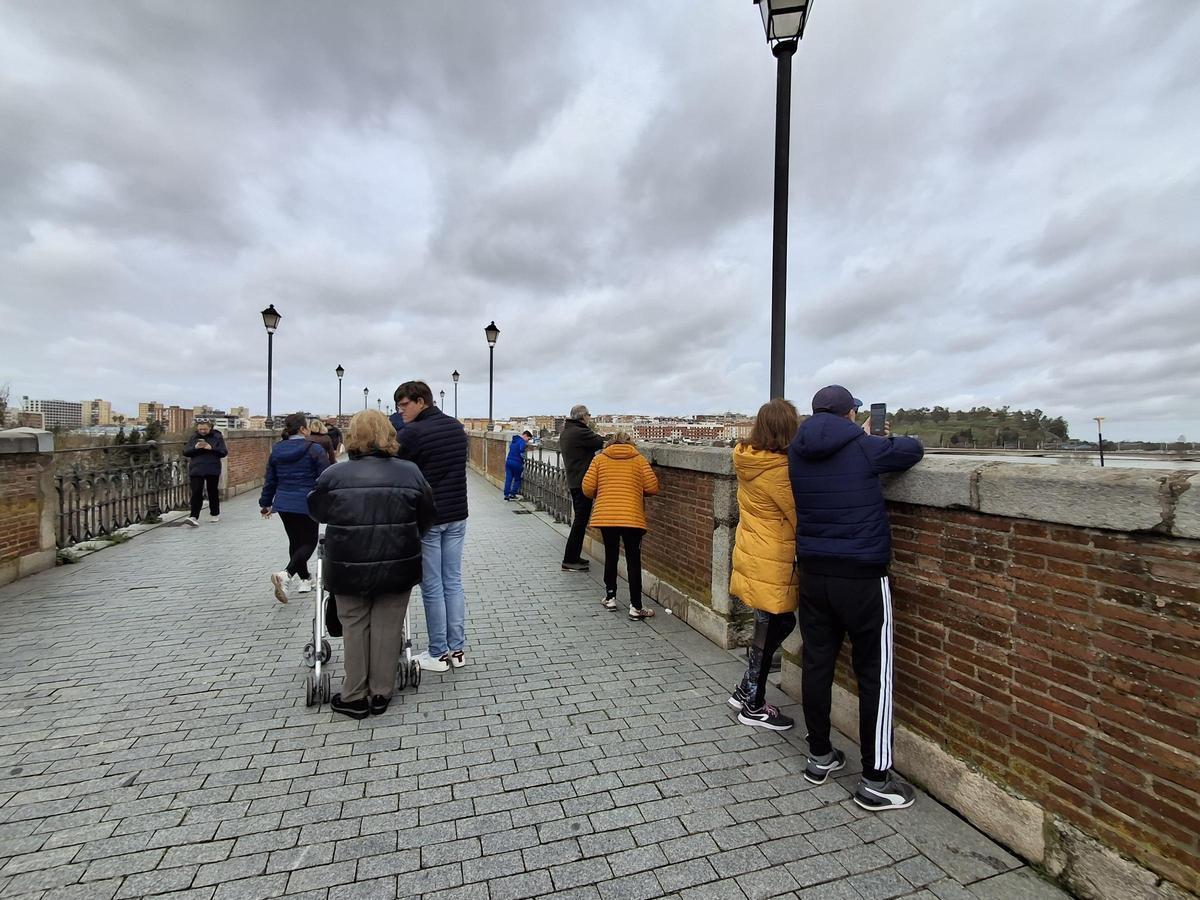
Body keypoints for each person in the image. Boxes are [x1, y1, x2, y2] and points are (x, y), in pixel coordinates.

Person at [789, 384, 924, 811]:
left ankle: (820, 756)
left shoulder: (797, 451)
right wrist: (873, 436)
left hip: (814, 572)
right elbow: (912, 450)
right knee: (874, 673)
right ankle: (875, 779)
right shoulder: (866, 447)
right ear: (850, 414)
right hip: (861, 575)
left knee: (817, 663)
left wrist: (859, 436)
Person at [308, 410, 436, 719]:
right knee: (388, 626)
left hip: (348, 565)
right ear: (389, 434)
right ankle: (381, 692)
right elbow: (427, 515)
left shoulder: (334, 475)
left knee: (354, 624)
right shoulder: (410, 472)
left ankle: (354, 694)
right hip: (397, 563)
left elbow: (318, 512)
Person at [727, 399, 801, 731]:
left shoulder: (748, 457)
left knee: (769, 623)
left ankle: (746, 689)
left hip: (753, 550)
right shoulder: (780, 471)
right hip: (773, 557)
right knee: (775, 624)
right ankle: (754, 706)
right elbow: (800, 516)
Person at [394, 380, 469, 672]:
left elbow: (396, 468)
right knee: (453, 582)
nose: (400, 411)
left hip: (428, 519)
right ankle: (457, 650)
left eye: (404, 405)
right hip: (457, 514)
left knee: (433, 586)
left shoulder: (412, 433)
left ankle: (438, 653)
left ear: (421, 402)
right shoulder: (455, 427)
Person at [582, 432, 660, 620]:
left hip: (606, 516)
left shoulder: (599, 459)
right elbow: (652, 488)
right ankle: (636, 607)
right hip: (632, 517)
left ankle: (610, 597)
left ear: (610, 443)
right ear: (630, 443)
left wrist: (603, 492)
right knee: (633, 560)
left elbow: (587, 488)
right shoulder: (639, 460)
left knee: (611, 555)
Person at [260, 412, 332, 603]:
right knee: (309, 542)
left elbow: (270, 479)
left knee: (295, 542)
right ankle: (286, 574)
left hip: (284, 502)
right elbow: (325, 478)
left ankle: (305, 579)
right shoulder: (314, 449)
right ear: (302, 429)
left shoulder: (277, 449)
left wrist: (265, 503)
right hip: (307, 502)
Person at [559, 404, 604, 571]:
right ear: (583, 416)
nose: (589, 417)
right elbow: (599, 441)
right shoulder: (580, 432)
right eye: (588, 415)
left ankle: (574, 556)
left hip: (574, 480)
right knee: (580, 521)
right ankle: (570, 560)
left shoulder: (567, 431)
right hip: (581, 482)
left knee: (580, 520)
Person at [182, 418, 227, 526]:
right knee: (196, 491)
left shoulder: (217, 436)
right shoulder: (194, 437)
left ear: (210, 428)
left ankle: (214, 513)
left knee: (212, 491)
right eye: (200, 429)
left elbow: (223, 452)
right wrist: (195, 447)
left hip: (212, 467)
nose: (202, 431)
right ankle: (193, 516)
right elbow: (186, 452)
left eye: (205, 429)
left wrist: (211, 448)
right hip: (197, 468)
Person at [504, 430, 533, 500]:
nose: (528, 441)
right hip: (516, 462)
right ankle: (513, 494)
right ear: (525, 436)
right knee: (517, 479)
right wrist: (525, 449)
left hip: (508, 461)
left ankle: (506, 495)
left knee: (508, 479)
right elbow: (521, 450)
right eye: (528, 439)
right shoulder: (522, 442)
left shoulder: (514, 441)